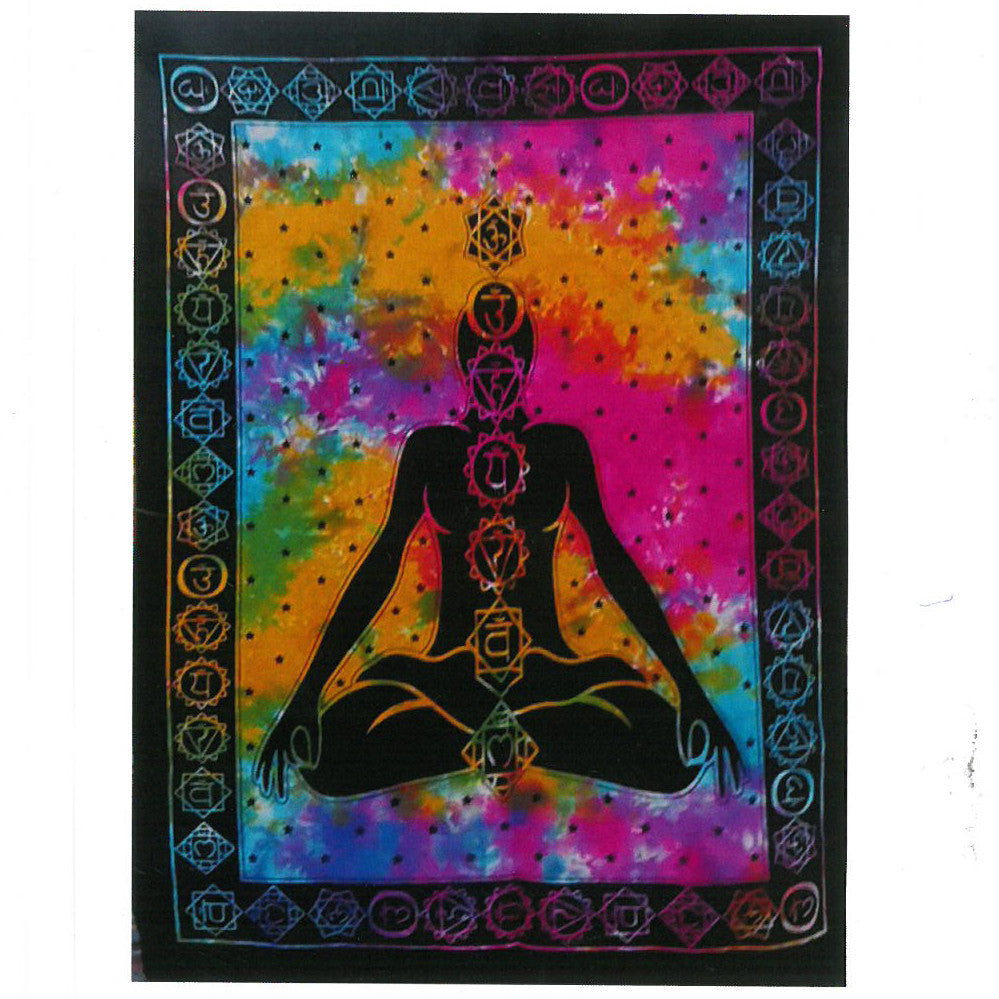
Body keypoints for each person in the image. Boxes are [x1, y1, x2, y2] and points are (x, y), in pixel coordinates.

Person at [255, 281, 742, 800]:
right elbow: (382, 564)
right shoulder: (431, 450)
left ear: (524, 369)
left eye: (506, 370)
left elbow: (612, 562)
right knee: (327, 756)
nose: (496, 384)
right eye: (485, 371)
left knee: (671, 755)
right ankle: (525, 739)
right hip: (449, 677)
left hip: (546, 671)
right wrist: (306, 695)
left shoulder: (559, 448)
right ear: (467, 369)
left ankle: (485, 740)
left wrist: (688, 687)